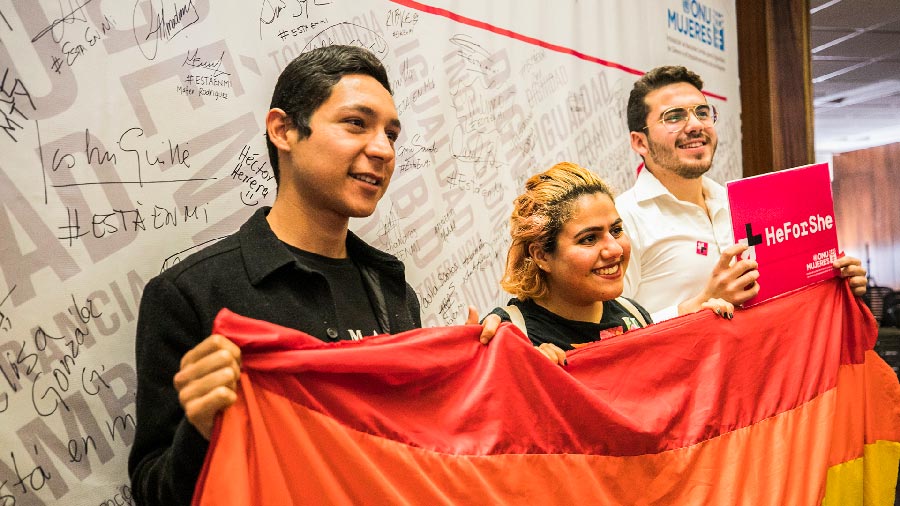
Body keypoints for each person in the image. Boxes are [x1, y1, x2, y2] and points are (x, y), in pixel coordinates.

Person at [128, 45, 499, 506]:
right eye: (356, 123)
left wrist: (462, 382)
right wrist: (201, 430)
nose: (383, 149)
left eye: (392, 134)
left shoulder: (394, 293)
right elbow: (152, 493)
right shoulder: (189, 294)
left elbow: (411, 458)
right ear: (283, 130)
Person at [617, 66, 868, 321]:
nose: (695, 125)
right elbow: (610, 331)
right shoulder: (622, 220)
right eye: (673, 117)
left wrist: (836, 283)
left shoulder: (741, 205)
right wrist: (695, 306)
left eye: (702, 112)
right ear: (640, 142)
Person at [488, 162, 731, 365]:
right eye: (589, 239)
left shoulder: (632, 314)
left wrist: (701, 329)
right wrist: (518, 374)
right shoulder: (510, 335)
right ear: (541, 255)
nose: (614, 249)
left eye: (616, 230)